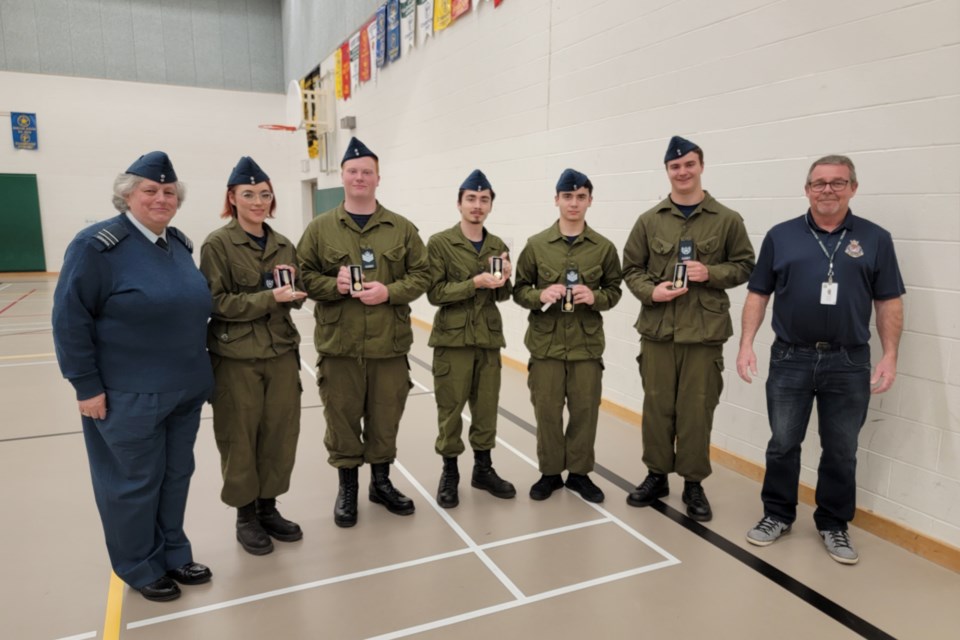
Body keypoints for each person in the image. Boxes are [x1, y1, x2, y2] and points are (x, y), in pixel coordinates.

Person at [52, 151, 213, 602]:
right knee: (132, 483)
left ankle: (173, 553)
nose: (161, 198)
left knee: (176, 475)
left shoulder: (178, 244)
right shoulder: (96, 246)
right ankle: (139, 565)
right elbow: (70, 319)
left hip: (183, 388)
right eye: (150, 190)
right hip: (128, 393)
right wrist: (86, 386)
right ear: (126, 195)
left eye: (168, 192)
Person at [737, 154, 904, 565]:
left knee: (841, 449)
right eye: (819, 183)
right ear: (807, 188)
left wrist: (890, 356)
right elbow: (758, 294)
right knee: (783, 444)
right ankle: (777, 514)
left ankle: (833, 524)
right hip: (790, 357)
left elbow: (889, 301)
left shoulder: (876, 238)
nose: (827, 189)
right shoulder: (781, 235)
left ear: (853, 188)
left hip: (849, 362)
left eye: (837, 182)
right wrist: (745, 343)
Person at [298, 137, 431, 528]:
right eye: (353, 171)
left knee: (385, 417)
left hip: (388, 345)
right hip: (340, 345)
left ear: (378, 179)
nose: (360, 177)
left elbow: (422, 274)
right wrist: (332, 286)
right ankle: (348, 488)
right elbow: (303, 275)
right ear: (341, 176)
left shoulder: (401, 229)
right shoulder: (320, 229)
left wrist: (389, 291)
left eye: (367, 172)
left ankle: (381, 482)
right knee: (341, 418)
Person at [622, 136, 754, 521]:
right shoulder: (649, 221)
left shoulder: (727, 219)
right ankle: (656, 476)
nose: (683, 172)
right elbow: (631, 269)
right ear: (668, 171)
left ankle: (693, 484)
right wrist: (652, 292)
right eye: (675, 166)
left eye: (689, 164)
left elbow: (746, 265)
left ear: (701, 166)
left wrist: (709, 272)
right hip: (659, 331)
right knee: (657, 407)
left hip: (704, 333)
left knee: (697, 411)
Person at [199, 157, 308, 556]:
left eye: (264, 194)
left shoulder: (283, 244)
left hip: (280, 351)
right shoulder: (218, 244)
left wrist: (296, 296)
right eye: (249, 195)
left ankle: (268, 507)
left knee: (280, 433)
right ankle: (245, 516)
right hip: (237, 356)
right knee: (240, 436)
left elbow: (288, 294)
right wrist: (269, 298)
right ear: (232, 198)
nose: (258, 202)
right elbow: (215, 301)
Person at [513, 168, 622, 503]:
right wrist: (540, 296)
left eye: (581, 197)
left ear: (590, 201)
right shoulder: (536, 246)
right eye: (567, 197)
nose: (574, 203)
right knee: (546, 410)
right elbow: (519, 290)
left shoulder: (603, 248)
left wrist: (597, 297)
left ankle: (578, 474)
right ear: (556, 200)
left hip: (586, 346)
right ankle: (549, 473)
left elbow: (615, 290)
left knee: (585, 410)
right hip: (546, 344)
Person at [426, 169, 516, 509]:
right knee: (450, 410)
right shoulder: (440, 243)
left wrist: (506, 278)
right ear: (459, 203)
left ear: (491, 205)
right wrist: (474, 283)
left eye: (484, 200)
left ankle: (483, 468)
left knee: (487, 407)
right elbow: (434, 293)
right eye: (471, 199)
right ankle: (450, 472)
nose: (477, 206)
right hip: (452, 340)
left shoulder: (497, 245)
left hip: (488, 338)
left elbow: (503, 295)